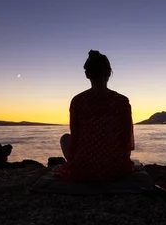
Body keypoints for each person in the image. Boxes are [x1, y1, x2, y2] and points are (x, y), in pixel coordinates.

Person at [57, 50, 136, 182]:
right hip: (115, 169)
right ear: (109, 72)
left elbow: (76, 136)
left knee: (65, 138)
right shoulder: (122, 101)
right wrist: (123, 161)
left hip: (85, 169)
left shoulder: (78, 101)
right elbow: (126, 138)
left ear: (87, 74)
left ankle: (83, 168)